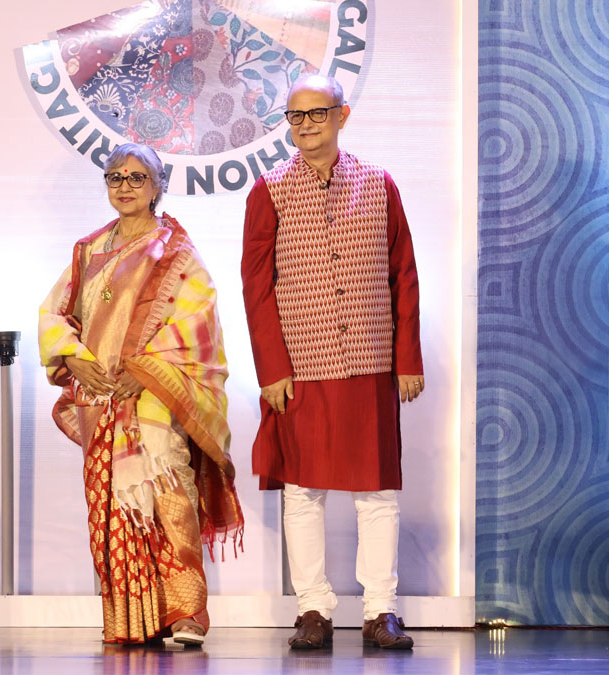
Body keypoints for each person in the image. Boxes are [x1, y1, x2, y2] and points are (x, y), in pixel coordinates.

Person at [241, 75, 424, 650]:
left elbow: (404, 274)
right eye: (295, 117)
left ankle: (380, 610)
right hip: (301, 363)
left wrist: (407, 357)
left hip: (369, 357)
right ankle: (313, 608)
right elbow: (256, 286)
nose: (306, 125)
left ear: (342, 115)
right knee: (304, 489)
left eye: (317, 114)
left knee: (376, 492)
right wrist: (271, 368)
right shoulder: (268, 190)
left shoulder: (378, 183)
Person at [39, 143, 244, 646]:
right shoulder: (88, 250)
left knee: (169, 499)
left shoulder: (174, 252)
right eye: (115, 177)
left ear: (157, 187)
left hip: (152, 402)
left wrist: (147, 372)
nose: (125, 186)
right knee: (112, 509)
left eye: (137, 177)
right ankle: (134, 620)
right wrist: (73, 358)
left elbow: (198, 328)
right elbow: (53, 314)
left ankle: (187, 612)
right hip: (100, 399)